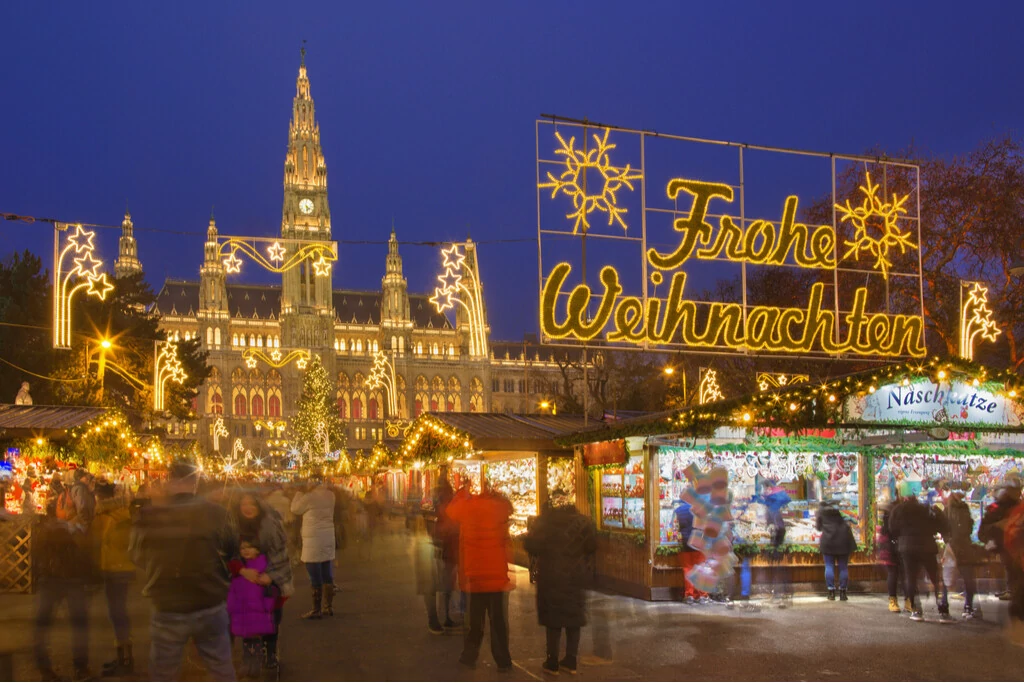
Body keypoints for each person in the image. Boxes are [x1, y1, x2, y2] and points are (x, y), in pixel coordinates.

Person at [129, 460, 238, 681]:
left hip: (168, 601)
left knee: (164, 670)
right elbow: (231, 549)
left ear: (170, 481)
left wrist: (159, 566)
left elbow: (136, 554)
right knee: (220, 666)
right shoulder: (216, 513)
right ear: (195, 482)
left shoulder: (150, 515)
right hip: (209, 597)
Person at [524, 493, 597, 676]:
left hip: (552, 575)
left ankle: (552, 661)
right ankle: (571, 660)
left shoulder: (546, 522)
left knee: (553, 619)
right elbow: (592, 546)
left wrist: (527, 538)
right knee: (574, 617)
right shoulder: (583, 522)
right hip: (576, 575)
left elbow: (532, 545)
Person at [446, 482, 514, 672]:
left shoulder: (468, 506)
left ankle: (469, 656)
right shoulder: (499, 508)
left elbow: (451, 511)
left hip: (474, 575)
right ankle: (503, 660)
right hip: (496, 575)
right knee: (498, 621)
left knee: (475, 621)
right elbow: (506, 540)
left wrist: (462, 493)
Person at [32, 494, 93, 680]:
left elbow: (36, 556)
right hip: (68, 579)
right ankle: (79, 667)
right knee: (78, 623)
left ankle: (45, 667)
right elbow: (85, 551)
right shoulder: (72, 529)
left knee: (44, 624)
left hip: (52, 580)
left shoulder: (46, 530)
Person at [231, 492, 293, 673]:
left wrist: (271, 576)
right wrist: (242, 571)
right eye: (244, 504)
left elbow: (280, 554)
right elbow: (229, 554)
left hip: (268, 580)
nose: (248, 508)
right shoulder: (233, 527)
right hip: (244, 582)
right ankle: (251, 657)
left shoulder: (270, 526)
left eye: (252, 504)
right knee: (248, 619)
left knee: (272, 617)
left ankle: (271, 651)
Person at [889, 482, 952, 623]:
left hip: (907, 547)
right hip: (927, 546)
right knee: (935, 578)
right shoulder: (925, 508)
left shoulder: (898, 510)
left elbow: (892, 529)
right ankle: (943, 611)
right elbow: (939, 524)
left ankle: (916, 610)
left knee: (911, 578)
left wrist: (901, 538)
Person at [92, 481, 136, 676]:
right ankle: (123, 657)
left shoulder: (112, 518)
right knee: (118, 612)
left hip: (116, 569)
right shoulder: (121, 515)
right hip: (119, 567)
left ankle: (125, 659)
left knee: (117, 613)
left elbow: (106, 542)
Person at [227, 538, 279, 680]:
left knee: (255, 641)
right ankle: (247, 665)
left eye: (249, 547)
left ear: (257, 549)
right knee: (245, 641)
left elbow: (270, 591)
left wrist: (267, 608)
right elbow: (233, 590)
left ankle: (254, 669)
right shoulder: (239, 569)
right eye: (242, 548)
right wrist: (231, 607)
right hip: (242, 612)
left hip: (257, 612)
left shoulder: (263, 566)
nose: (245, 550)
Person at [290, 475, 336, 619]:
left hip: (313, 539)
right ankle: (328, 606)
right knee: (326, 570)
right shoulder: (331, 495)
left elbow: (295, 509)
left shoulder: (309, 497)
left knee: (314, 572)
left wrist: (299, 493)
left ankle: (316, 609)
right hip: (328, 536)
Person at [943, 486, 982, 619]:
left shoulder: (963, 507)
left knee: (967, 578)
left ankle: (967, 606)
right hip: (954, 546)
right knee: (950, 577)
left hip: (963, 546)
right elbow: (944, 527)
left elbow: (969, 525)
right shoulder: (949, 509)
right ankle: (945, 606)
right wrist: (948, 539)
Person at [979, 479, 1022, 600]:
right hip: (1008, 543)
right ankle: (1011, 590)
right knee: (1010, 567)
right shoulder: (1000, 506)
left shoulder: (1009, 505)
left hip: (1011, 543)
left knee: (1012, 567)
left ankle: (1012, 591)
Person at [432, 477, 460, 628]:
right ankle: (448, 615)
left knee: (447, 581)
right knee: (450, 581)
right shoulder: (449, 505)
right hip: (452, 547)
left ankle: (446, 614)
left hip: (446, 547)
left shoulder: (440, 504)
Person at [817, 500, 857, 601]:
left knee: (829, 566)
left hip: (828, 541)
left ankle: (831, 593)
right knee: (843, 567)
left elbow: (818, 528)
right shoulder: (839, 511)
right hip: (843, 540)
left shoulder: (821, 512)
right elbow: (847, 522)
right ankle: (843, 593)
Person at [411, 514, 444, 634]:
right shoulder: (423, 542)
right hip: (427, 575)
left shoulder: (423, 540)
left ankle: (434, 620)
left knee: (430, 594)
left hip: (428, 573)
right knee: (429, 594)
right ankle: (433, 621)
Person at [673, 499, 709, 604]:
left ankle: (689, 595)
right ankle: (702, 595)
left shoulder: (678, 510)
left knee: (688, 569)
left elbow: (675, 526)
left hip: (685, 542)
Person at [877, 494, 905, 613]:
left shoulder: (889, 511)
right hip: (895, 546)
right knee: (899, 574)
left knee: (895, 574)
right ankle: (903, 600)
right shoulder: (896, 512)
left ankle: (895, 600)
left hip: (897, 546)